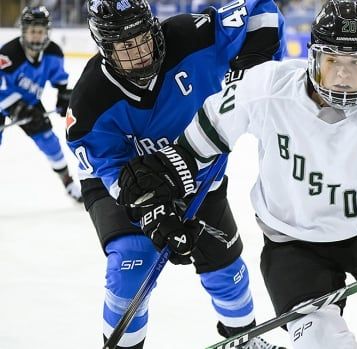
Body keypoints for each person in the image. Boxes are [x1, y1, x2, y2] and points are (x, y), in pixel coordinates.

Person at [116, 1, 357, 348]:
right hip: (292, 244)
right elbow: (207, 134)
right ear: (313, 57)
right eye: (333, 61)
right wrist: (165, 173)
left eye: (356, 63)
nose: (342, 75)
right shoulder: (266, 88)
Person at [65, 0, 287, 347]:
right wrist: (153, 211)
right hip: (127, 187)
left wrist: (254, 64)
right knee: (134, 264)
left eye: (142, 38)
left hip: (199, 173)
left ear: (154, 27)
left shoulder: (190, 36)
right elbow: (106, 165)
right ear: (106, 49)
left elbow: (261, 9)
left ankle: (242, 341)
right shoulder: (90, 100)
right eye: (125, 46)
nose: (139, 53)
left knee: (226, 266)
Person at [0, 6, 81, 202]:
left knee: (49, 140)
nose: (36, 36)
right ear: (24, 31)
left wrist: (63, 97)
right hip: (4, 101)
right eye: (32, 31)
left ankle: (68, 182)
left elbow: (60, 80)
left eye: (40, 31)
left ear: (47, 32)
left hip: (30, 102)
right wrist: (16, 108)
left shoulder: (53, 52)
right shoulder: (8, 54)